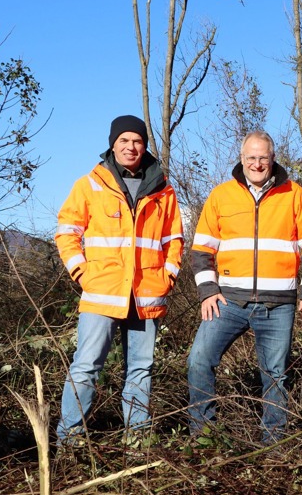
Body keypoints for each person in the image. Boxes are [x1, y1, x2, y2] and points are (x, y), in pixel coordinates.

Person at [187, 130, 302, 444]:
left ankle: (272, 444)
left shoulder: (294, 194)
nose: (257, 163)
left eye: (263, 157)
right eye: (251, 157)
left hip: (278, 304)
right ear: (241, 159)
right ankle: (202, 435)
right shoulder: (221, 196)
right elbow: (200, 251)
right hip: (228, 302)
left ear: (272, 158)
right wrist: (208, 291)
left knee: (275, 375)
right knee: (198, 360)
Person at [54, 114, 184, 447]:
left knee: (140, 371)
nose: (131, 147)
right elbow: (67, 232)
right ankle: (69, 440)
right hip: (102, 294)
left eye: (137, 141)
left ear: (145, 145)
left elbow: (174, 240)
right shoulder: (91, 184)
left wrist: (168, 275)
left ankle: (136, 442)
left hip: (146, 296)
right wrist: (81, 271)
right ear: (113, 143)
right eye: (124, 140)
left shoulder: (163, 188)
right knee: (85, 367)